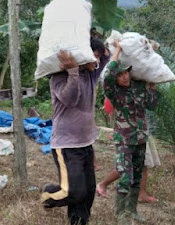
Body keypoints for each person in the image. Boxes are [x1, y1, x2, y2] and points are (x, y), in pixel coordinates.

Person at [40, 38, 109, 225]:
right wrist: (72, 72)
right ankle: (47, 195)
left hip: (86, 143)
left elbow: (104, 61)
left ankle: (79, 222)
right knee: (75, 191)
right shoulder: (58, 77)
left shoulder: (91, 74)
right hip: (66, 145)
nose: (96, 62)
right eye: (92, 57)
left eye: (97, 58)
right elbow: (70, 99)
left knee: (88, 191)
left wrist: (107, 50)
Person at [103, 41, 161, 224]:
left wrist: (153, 87)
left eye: (126, 72)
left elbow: (151, 105)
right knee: (125, 176)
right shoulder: (113, 91)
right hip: (124, 140)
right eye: (120, 75)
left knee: (136, 177)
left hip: (141, 139)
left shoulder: (138, 87)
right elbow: (107, 75)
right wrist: (118, 49)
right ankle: (121, 214)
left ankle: (132, 210)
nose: (125, 77)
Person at [96, 99, 160, 204]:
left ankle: (141, 193)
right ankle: (102, 185)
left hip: (140, 131)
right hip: (129, 133)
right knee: (126, 165)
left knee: (143, 164)